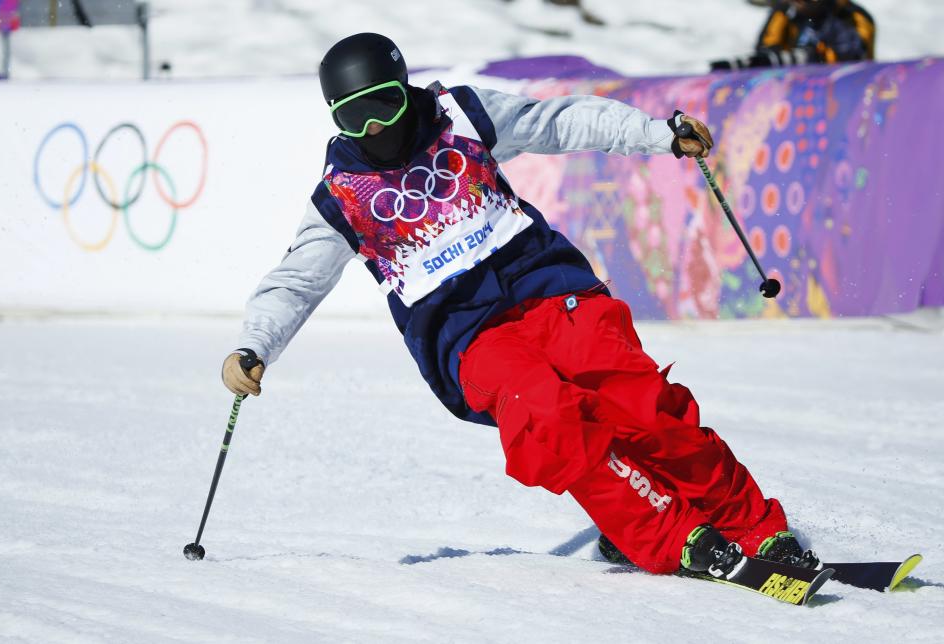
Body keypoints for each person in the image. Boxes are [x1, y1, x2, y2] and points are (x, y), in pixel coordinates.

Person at [222, 32, 819, 577]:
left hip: (547, 288)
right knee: (549, 416)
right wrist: (254, 345)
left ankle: (753, 525)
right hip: (466, 336)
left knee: (640, 402)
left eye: (385, 106)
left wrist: (655, 133)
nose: (374, 129)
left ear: (404, 91)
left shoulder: (459, 115)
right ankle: (666, 535)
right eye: (354, 118)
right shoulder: (341, 199)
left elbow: (557, 122)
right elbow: (295, 281)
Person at [711, 0, 875, 71]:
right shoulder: (785, 12)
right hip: (795, 95)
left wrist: (804, 57)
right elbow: (765, 53)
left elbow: (852, 58)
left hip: (844, 95)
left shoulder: (851, 16)